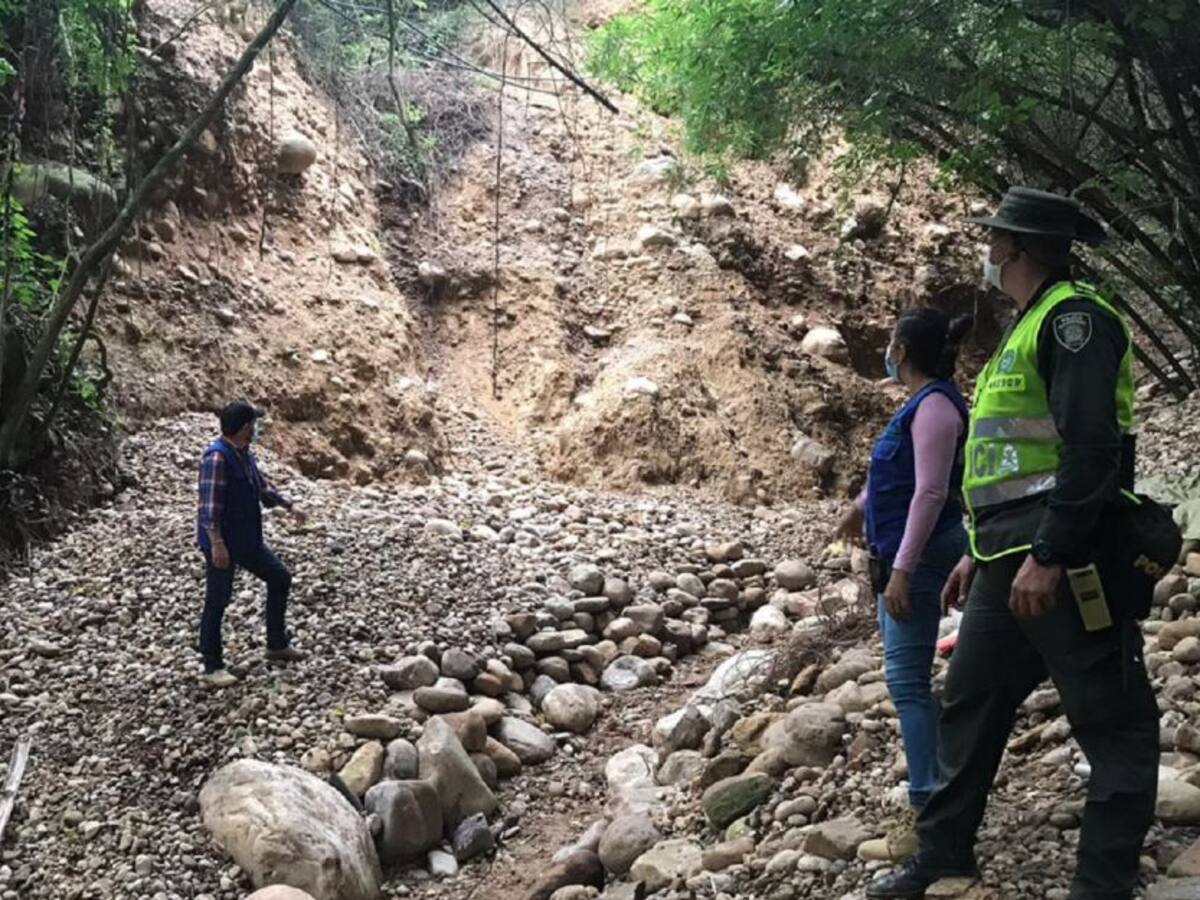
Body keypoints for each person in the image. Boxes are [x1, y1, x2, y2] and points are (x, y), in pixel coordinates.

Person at [867, 187, 1158, 900]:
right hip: (1004, 560)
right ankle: (942, 855)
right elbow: (1010, 462)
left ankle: (1102, 883)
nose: (988, 250)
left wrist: (1051, 554)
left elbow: (1089, 452)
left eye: (994, 239)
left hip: (1064, 558)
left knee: (1114, 722)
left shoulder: (1075, 323)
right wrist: (977, 548)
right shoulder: (1026, 327)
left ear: (1016, 249)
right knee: (971, 701)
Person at [837, 307, 973, 861]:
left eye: (892, 343)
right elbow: (901, 480)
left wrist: (902, 570)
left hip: (914, 558)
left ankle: (930, 803)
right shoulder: (921, 405)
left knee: (908, 681)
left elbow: (932, 493)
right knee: (908, 677)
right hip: (898, 553)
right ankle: (946, 778)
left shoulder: (936, 406)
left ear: (905, 350)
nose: (887, 353)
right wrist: (859, 508)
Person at [196, 401, 307, 688]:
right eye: (253, 424)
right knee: (217, 599)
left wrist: (288, 506)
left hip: (246, 539)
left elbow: (261, 487)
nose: (256, 429)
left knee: (279, 577)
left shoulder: (243, 454)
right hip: (222, 541)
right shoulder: (217, 459)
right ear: (245, 427)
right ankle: (212, 666)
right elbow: (209, 509)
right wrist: (217, 544)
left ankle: (276, 644)